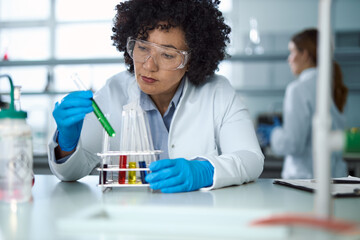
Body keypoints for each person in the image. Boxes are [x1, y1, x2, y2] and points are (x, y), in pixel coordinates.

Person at [48, 0, 264, 193]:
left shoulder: (217, 92)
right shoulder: (114, 91)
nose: (149, 65)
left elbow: (251, 158)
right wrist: (67, 143)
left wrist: (204, 170)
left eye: (168, 55)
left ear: (191, 60)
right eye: (142, 47)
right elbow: (71, 173)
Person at [257, 29, 348, 179]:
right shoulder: (333, 84)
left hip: (305, 180)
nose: (289, 59)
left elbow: (293, 144)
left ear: (305, 54)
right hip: (335, 178)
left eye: (292, 52)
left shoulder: (298, 89)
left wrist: (274, 133)